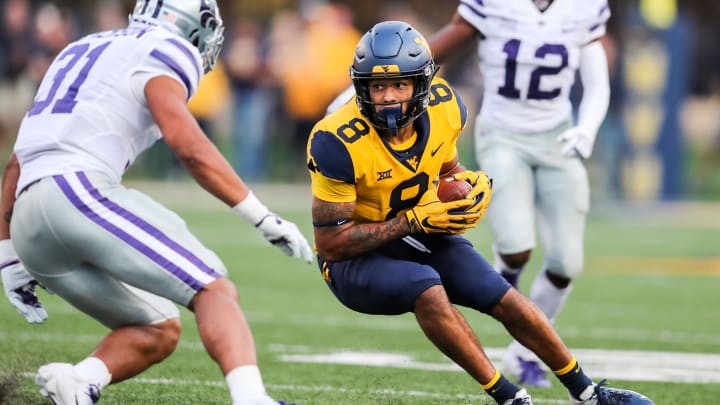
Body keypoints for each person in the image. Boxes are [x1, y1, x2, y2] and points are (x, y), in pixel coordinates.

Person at [307, 21, 652, 405]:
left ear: (420, 86)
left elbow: (447, 170)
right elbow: (332, 243)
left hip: (416, 230)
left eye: (399, 84)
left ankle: (587, 392)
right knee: (426, 286)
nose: (388, 97)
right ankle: (510, 398)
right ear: (362, 87)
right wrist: (412, 220)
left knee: (497, 292)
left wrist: (470, 183)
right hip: (353, 260)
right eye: (378, 86)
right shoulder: (335, 140)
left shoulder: (444, 107)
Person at [0, 1, 312, 404]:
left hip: (28, 218)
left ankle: (79, 381)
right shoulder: (167, 49)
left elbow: (15, 161)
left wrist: (8, 255)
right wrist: (261, 216)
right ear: (195, 25)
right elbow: (188, 145)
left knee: (159, 325)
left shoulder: (80, 48)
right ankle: (253, 399)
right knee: (214, 290)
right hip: (77, 189)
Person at [427, 0, 612, 387]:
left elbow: (598, 81)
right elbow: (443, 44)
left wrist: (588, 129)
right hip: (503, 135)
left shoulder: (583, 7)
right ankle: (496, 292)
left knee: (566, 263)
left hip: (558, 135)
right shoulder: (493, 4)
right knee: (515, 248)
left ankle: (523, 350)